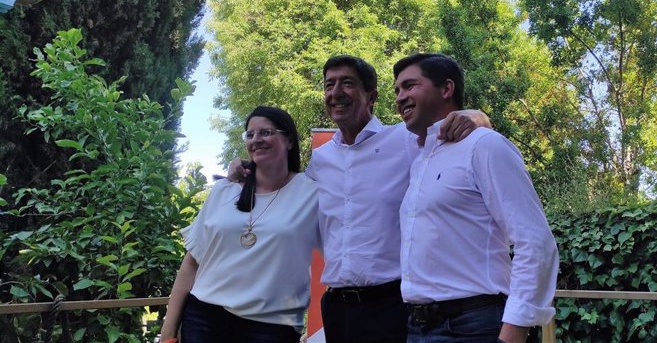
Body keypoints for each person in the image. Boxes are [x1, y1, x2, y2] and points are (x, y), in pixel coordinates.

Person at [230, 55, 491, 343]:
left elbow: (453, 141)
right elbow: (285, 202)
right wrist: (247, 171)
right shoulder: (321, 159)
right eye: (329, 85)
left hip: (392, 306)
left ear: (372, 96)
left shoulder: (405, 140)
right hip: (336, 308)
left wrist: (477, 117)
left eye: (347, 83)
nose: (336, 92)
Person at [393, 53, 559, 343]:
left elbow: (535, 241)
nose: (400, 97)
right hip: (417, 328)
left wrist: (513, 333)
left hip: (474, 326)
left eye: (409, 86)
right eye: (397, 90)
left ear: (446, 89)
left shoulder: (485, 145)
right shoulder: (419, 159)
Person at [160, 106, 319, 343]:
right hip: (204, 318)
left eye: (266, 132)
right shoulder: (224, 191)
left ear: (289, 141)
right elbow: (192, 263)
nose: (256, 140)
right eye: (250, 134)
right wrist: (168, 333)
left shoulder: (313, 192)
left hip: (272, 327)